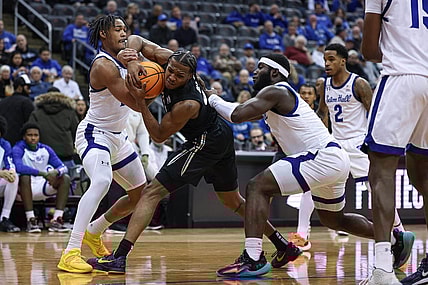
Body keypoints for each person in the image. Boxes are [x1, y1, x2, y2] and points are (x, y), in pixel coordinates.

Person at [86, 37, 301, 273]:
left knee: (151, 192)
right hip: (220, 134)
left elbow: (158, 135)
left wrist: (141, 102)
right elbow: (136, 40)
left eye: (179, 75)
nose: (171, 77)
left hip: (205, 141)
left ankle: (120, 257)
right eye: (171, 71)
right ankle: (283, 245)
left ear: (190, 77)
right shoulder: (169, 59)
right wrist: (133, 62)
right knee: (233, 201)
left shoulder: (187, 103)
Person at [203, 53, 411, 278]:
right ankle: (394, 239)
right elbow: (241, 109)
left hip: (322, 157)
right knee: (333, 219)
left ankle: (252, 258)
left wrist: (212, 98)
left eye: (260, 67)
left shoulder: (276, 90)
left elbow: (236, 115)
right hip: (334, 159)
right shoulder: (274, 98)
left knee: (257, 186)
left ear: (274, 73)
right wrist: (218, 101)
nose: (254, 71)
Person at [290, 43, 408, 250]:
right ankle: (302, 236)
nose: (327, 63)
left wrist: (375, 143)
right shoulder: (323, 85)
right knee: (312, 184)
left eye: (331, 59)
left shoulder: (359, 83)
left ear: (343, 61)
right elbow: (323, 113)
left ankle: (400, 231)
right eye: (325, 59)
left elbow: (374, 114)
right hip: (335, 144)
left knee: (377, 189)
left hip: (358, 143)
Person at [57, 15, 150, 273]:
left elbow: (137, 41)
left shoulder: (125, 51)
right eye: (117, 29)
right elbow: (135, 104)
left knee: (140, 195)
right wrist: (158, 88)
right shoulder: (103, 65)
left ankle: (94, 231)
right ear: (103, 35)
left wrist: (135, 62)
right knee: (101, 181)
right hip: (94, 133)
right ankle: (70, 252)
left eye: (125, 29)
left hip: (118, 137)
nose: (123, 33)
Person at [361, 1, 428, 284]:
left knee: (381, 171)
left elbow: (369, 49)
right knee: (424, 176)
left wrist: (402, 51)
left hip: (401, 77)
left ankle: (382, 269)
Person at [13, 122, 71, 233]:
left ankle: (57, 219)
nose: (33, 138)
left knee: (65, 178)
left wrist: (56, 172)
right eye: (30, 135)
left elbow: (63, 167)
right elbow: (19, 167)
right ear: (24, 137)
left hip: (43, 185)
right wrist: (42, 173)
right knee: (24, 177)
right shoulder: (18, 148)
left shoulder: (45, 149)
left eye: (36, 135)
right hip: (24, 188)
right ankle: (31, 220)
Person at [28, 90, 79, 169]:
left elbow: (30, 131)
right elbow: (76, 131)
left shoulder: (37, 113)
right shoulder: (69, 112)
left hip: (43, 155)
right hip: (65, 154)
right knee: (69, 180)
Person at [0, 74, 34, 145]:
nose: (30, 90)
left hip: (3, 142)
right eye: (28, 87)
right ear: (20, 87)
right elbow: (31, 123)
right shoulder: (26, 102)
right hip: (20, 143)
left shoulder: (3, 101)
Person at [0, 116, 20, 233]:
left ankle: (4, 218)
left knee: (14, 178)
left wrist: (10, 171)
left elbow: (9, 161)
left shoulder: (4, 144)